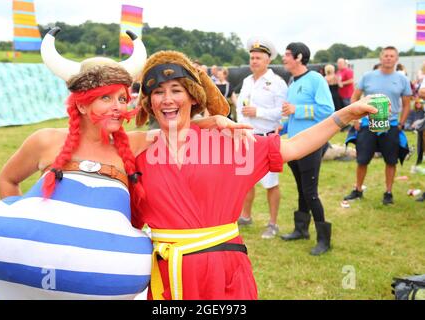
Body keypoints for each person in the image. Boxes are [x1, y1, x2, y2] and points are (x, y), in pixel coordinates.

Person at [133, 49, 377, 300]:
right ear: (149, 102)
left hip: (224, 275)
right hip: (168, 279)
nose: (167, 99)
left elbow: (293, 147)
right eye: (158, 92)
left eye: (176, 90)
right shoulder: (138, 158)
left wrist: (345, 114)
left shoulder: (229, 143)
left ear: (193, 98)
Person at [0, 28, 154, 299]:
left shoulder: (135, 143)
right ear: (82, 105)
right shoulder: (45, 140)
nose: (118, 106)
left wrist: (215, 120)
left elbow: (179, 133)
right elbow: (8, 180)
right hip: (37, 281)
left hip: (99, 279)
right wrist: (27, 235)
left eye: (121, 98)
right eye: (105, 98)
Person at [279, 42, 335, 256]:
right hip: (295, 145)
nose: (283, 59)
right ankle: (301, 230)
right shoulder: (292, 83)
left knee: (310, 192)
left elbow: (327, 110)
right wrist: (281, 127)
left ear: (299, 57)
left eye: (287, 55)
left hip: (312, 144)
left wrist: (297, 109)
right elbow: (294, 116)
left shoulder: (316, 79)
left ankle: (324, 239)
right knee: (302, 189)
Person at [343, 46, 412, 205]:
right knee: (362, 160)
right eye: (386, 55)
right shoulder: (368, 76)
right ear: (380, 58)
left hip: (391, 125)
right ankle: (358, 190)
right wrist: (356, 120)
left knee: (391, 161)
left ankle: (388, 192)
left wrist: (401, 123)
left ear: (396, 59)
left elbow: (407, 104)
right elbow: (354, 97)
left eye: (391, 56)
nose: (388, 58)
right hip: (368, 124)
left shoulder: (402, 79)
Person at [235, 36, 287, 240]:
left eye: (258, 58)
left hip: (266, 139)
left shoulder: (277, 83)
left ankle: (273, 223)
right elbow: (240, 108)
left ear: (268, 60)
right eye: (252, 57)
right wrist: (240, 127)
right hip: (247, 137)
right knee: (246, 182)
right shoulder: (247, 81)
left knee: (270, 184)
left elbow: (282, 114)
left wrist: (259, 112)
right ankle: (245, 216)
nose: (254, 61)